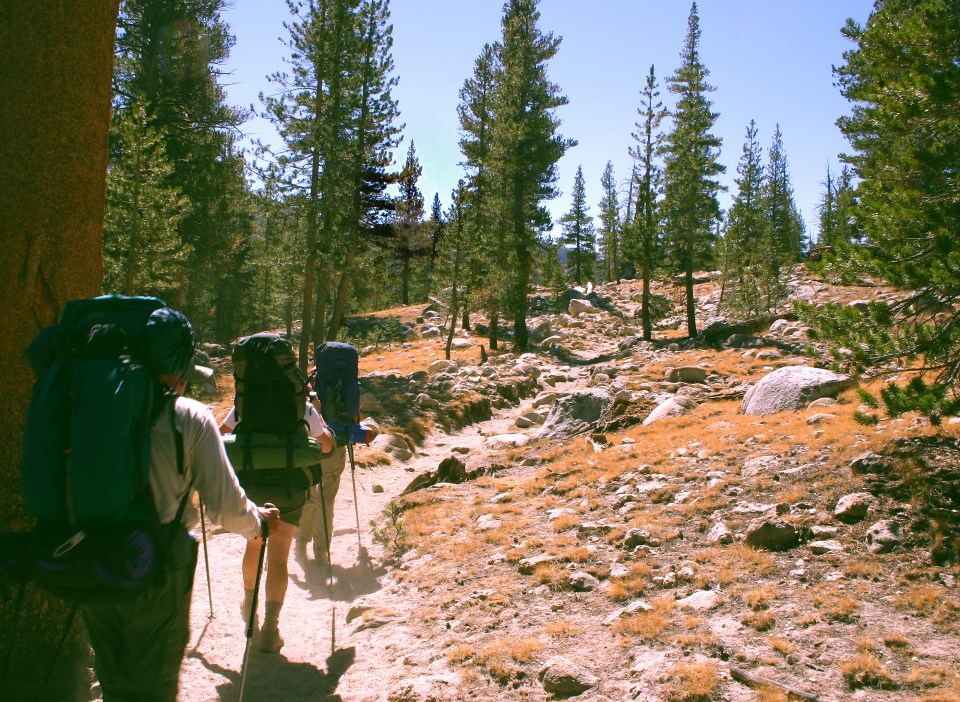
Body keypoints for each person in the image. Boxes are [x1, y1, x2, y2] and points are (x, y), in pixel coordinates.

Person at [78, 308, 281, 702]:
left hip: (90, 560)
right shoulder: (189, 416)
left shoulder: (92, 410)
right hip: (157, 567)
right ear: (174, 370)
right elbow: (224, 509)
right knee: (153, 687)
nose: (187, 382)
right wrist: (259, 524)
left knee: (113, 676)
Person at [219, 397, 333, 653]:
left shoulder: (245, 403)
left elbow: (220, 436)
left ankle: (250, 605)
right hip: (290, 487)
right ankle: (271, 629)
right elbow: (325, 446)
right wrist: (321, 419)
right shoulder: (301, 406)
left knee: (254, 543)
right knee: (279, 556)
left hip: (252, 484)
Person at [295, 393, 379, 564]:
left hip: (304, 449)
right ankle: (320, 552)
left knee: (307, 497)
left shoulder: (305, 389)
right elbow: (354, 419)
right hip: (332, 448)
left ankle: (301, 545)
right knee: (325, 500)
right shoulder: (344, 382)